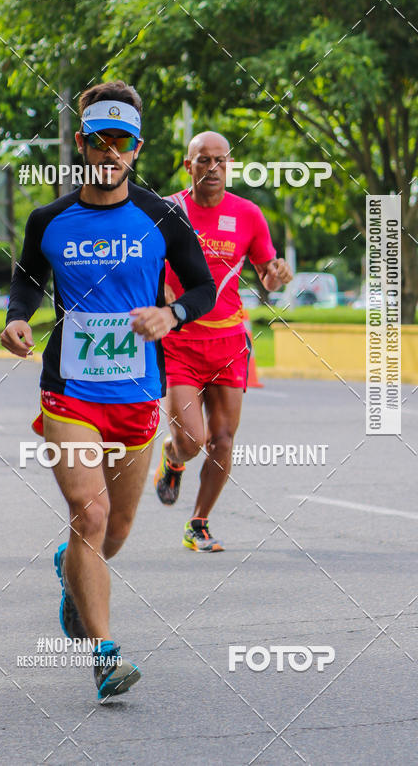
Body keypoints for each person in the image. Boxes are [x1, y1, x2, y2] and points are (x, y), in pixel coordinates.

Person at [0, 81, 215, 700]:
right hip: (69, 390)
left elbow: (203, 290)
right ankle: (104, 656)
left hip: (139, 394)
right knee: (87, 512)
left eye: (120, 142)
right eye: (99, 141)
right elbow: (26, 286)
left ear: (137, 147)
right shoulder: (49, 221)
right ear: (81, 145)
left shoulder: (162, 217)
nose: (109, 152)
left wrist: (171, 316)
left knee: (113, 531)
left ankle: (73, 579)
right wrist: (18, 319)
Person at [154, 131, 293, 551]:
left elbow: (266, 272)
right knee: (192, 441)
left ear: (229, 164)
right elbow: (143, 265)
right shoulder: (167, 211)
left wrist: (276, 275)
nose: (211, 168)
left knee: (223, 439)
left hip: (229, 341)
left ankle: (198, 523)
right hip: (179, 341)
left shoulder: (248, 214)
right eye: (202, 160)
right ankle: (174, 457)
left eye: (219, 160)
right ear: (188, 165)